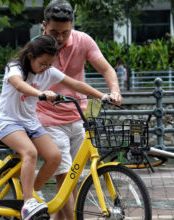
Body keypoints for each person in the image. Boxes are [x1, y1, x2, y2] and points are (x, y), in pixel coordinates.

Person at [0, 35, 111, 220]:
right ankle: (28, 204)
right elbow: (19, 85)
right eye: (43, 63)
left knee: (55, 157)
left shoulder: (49, 72)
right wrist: (40, 93)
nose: (46, 68)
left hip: (30, 122)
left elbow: (77, 84)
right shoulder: (14, 68)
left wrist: (102, 96)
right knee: (30, 153)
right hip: (7, 122)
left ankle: (31, 193)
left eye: (49, 64)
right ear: (31, 56)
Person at [36, 1, 123, 219]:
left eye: (65, 32)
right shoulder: (38, 47)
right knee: (65, 177)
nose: (60, 38)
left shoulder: (83, 41)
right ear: (44, 26)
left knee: (72, 181)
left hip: (78, 116)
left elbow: (106, 68)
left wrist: (114, 90)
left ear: (72, 26)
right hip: (48, 117)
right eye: (54, 32)